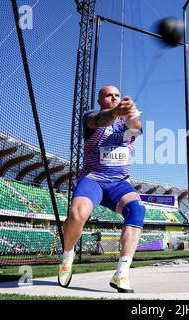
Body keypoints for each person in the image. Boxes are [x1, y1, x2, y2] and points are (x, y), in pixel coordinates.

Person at [58, 85, 145, 293]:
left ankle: (121, 273)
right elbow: (99, 121)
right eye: (108, 95)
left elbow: (137, 127)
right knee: (78, 214)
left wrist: (131, 112)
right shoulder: (91, 117)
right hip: (93, 179)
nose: (113, 98)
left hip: (118, 182)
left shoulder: (127, 123)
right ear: (100, 100)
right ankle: (67, 254)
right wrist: (116, 112)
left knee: (137, 209)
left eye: (117, 95)